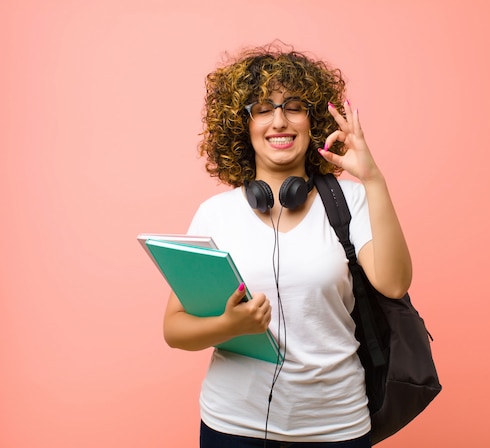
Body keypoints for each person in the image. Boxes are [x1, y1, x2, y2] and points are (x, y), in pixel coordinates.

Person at [163, 42, 412, 448]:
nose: (279, 121)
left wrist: (373, 179)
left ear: (311, 121)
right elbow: (174, 329)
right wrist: (230, 326)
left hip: (336, 427)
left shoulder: (350, 202)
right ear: (243, 125)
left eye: (293, 107)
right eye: (263, 108)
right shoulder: (215, 213)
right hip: (233, 427)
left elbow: (394, 283)